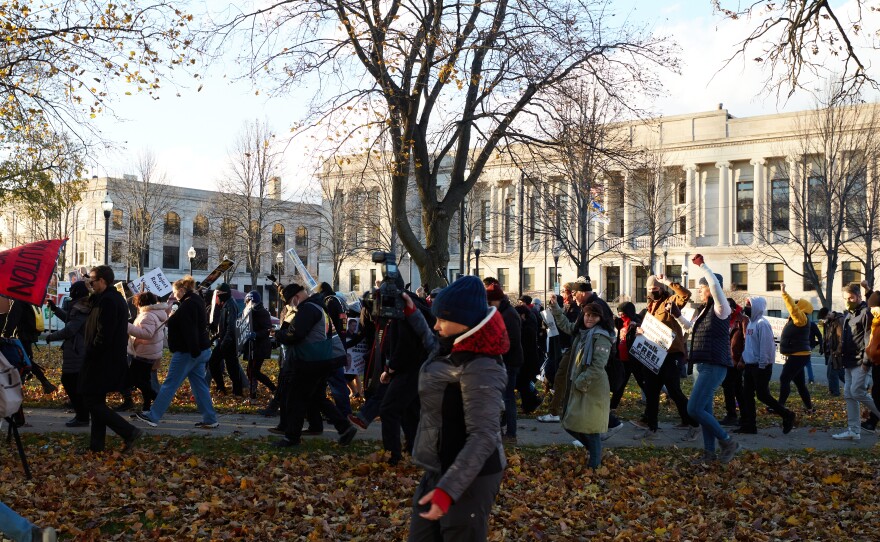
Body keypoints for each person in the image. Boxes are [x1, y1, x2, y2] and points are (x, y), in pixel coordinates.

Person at [407, 276, 508, 541]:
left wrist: (447, 491)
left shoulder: (481, 365)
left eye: (442, 319)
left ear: (464, 321)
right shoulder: (453, 346)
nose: (436, 325)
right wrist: (411, 313)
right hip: (443, 464)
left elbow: (484, 436)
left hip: (471, 475)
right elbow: (432, 343)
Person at [272, 283, 357, 448]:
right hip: (323, 360)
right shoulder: (318, 306)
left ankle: (291, 438)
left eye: (289, 302)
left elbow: (295, 334)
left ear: (296, 298)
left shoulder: (307, 309)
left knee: (296, 398)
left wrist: (278, 334)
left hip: (310, 362)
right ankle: (344, 427)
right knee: (316, 397)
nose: (289, 306)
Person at [135, 276, 218, 429]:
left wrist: (192, 350)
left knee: (170, 384)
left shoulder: (188, 305)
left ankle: (153, 415)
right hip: (199, 350)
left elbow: (189, 330)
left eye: (174, 292)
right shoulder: (195, 301)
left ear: (181, 290)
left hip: (188, 352)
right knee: (200, 386)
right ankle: (210, 418)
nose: (173, 295)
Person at [682, 255, 739, 464]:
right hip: (701, 364)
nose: (700, 289)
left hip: (714, 365)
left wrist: (703, 266)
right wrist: (678, 316)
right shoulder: (704, 310)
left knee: (694, 409)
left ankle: (727, 441)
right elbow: (690, 327)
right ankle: (709, 454)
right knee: (704, 411)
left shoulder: (721, 308)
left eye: (702, 287)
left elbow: (715, 285)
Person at [79, 265, 143, 452]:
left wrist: (92, 351)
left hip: (102, 360)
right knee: (96, 401)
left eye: (92, 280)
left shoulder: (109, 301)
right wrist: (91, 292)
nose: (89, 283)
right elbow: (90, 307)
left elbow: (104, 334)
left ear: (102, 281)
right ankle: (96, 446)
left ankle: (129, 431)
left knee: (90, 401)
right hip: (102, 358)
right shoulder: (106, 298)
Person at [633, 275, 700, 441]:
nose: (652, 292)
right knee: (651, 391)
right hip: (654, 353)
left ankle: (693, 424)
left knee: (674, 390)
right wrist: (641, 331)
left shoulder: (670, 301)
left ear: (661, 289)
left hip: (671, 353)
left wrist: (668, 282)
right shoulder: (650, 306)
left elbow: (685, 295)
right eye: (649, 290)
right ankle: (652, 428)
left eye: (655, 289)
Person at [559, 302, 613, 468]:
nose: (589, 318)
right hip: (580, 384)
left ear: (600, 318)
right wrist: (555, 309)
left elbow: (598, 365)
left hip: (592, 387)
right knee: (569, 422)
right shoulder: (583, 332)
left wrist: (582, 380)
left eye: (593, 316)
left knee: (591, 429)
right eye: (587, 315)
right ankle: (595, 452)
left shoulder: (601, 336)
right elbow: (567, 326)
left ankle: (594, 465)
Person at [736, 296, 796, 434]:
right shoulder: (751, 323)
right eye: (746, 305)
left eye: (749, 305)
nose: (747, 307)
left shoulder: (762, 324)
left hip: (760, 366)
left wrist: (762, 365)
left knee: (762, 395)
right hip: (750, 366)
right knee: (747, 396)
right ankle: (750, 425)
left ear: (756, 307)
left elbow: (767, 347)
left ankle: (787, 414)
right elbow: (749, 346)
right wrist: (744, 359)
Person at [831, 282, 880, 440]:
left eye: (851, 297)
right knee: (849, 394)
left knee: (857, 392)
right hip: (848, 361)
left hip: (861, 361)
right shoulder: (848, 314)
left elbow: (869, 338)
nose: (848, 301)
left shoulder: (866, 312)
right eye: (845, 298)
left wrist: (866, 362)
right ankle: (853, 430)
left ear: (858, 296)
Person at [45, 281, 91, 427]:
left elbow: (70, 329)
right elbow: (70, 320)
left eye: (72, 291)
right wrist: (55, 309)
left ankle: (82, 416)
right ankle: (81, 414)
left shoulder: (81, 307)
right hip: (76, 350)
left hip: (77, 351)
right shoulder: (80, 306)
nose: (70, 293)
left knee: (69, 381)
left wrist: (51, 336)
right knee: (73, 382)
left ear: (76, 293)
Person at [484, 279, 523, 442]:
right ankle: (501, 428)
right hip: (504, 361)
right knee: (503, 397)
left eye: (490, 302)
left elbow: (512, 340)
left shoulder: (509, 315)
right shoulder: (503, 312)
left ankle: (511, 433)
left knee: (508, 398)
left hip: (509, 362)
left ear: (497, 300)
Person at [2, 299, 57, 394]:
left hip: (22, 336)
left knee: (24, 360)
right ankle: (37, 381)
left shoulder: (18, 302)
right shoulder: (30, 301)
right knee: (26, 359)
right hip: (30, 335)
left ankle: (43, 382)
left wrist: (6, 335)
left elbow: (12, 319)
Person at [125, 291, 167, 413]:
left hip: (144, 353)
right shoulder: (156, 313)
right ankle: (147, 408)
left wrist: (128, 326)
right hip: (150, 352)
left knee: (135, 380)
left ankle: (157, 400)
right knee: (144, 380)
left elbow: (146, 334)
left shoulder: (147, 315)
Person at [776, 283, 814, 414]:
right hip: (797, 354)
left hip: (798, 355)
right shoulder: (796, 319)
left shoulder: (801, 318)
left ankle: (779, 407)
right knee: (800, 384)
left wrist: (784, 293)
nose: (795, 304)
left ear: (801, 307)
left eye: (797, 303)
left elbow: (793, 308)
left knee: (784, 378)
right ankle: (810, 408)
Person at [319, 282, 352, 416]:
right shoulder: (339, 302)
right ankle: (341, 412)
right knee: (336, 382)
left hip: (332, 346)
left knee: (336, 382)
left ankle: (343, 413)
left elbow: (327, 325)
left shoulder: (329, 302)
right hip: (340, 343)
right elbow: (343, 326)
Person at [207, 283, 244, 397]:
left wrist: (224, 343)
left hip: (228, 342)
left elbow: (231, 326)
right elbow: (224, 326)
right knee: (230, 366)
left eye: (218, 294)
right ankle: (232, 390)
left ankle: (226, 389)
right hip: (226, 340)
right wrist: (215, 337)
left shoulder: (230, 305)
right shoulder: (227, 304)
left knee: (223, 365)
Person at [241, 290, 275, 403]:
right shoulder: (249, 311)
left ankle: (273, 389)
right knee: (251, 371)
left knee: (254, 371)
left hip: (260, 346)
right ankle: (253, 395)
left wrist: (256, 334)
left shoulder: (261, 312)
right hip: (253, 346)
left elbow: (267, 329)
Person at [719, 298, 746, 427]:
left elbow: (747, 342)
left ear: (733, 308)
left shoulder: (742, 320)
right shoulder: (724, 320)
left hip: (736, 361)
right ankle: (733, 415)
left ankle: (737, 415)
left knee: (736, 388)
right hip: (725, 359)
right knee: (729, 387)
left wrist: (742, 359)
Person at [822, 307, 846, 397]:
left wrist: (838, 351)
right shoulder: (830, 321)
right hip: (832, 351)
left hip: (836, 351)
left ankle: (834, 392)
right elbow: (827, 336)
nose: (825, 320)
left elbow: (841, 338)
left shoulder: (839, 320)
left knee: (832, 373)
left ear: (828, 314)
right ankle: (854, 386)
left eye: (825, 317)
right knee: (838, 372)